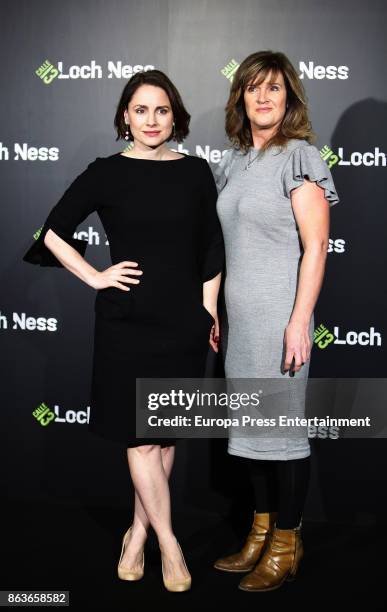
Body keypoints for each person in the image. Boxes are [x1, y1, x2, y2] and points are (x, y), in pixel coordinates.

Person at [23, 69, 224, 593]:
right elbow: (51, 232)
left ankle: (136, 533)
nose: (152, 120)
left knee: (161, 437)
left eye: (161, 110)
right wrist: (95, 276)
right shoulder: (105, 173)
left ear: (174, 115)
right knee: (139, 439)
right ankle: (170, 544)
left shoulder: (197, 171)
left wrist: (209, 313)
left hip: (184, 322)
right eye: (141, 110)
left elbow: (211, 248)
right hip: (127, 323)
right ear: (125, 118)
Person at [212, 51, 339, 591]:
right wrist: (214, 310)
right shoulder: (233, 162)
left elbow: (316, 248)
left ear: (289, 99)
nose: (263, 97)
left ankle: (287, 543)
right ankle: (259, 534)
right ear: (241, 96)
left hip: (280, 322)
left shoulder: (301, 157)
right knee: (251, 436)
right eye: (253, 88)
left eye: (275, 89)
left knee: (283, 437)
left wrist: (299, 321)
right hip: (240, 324)